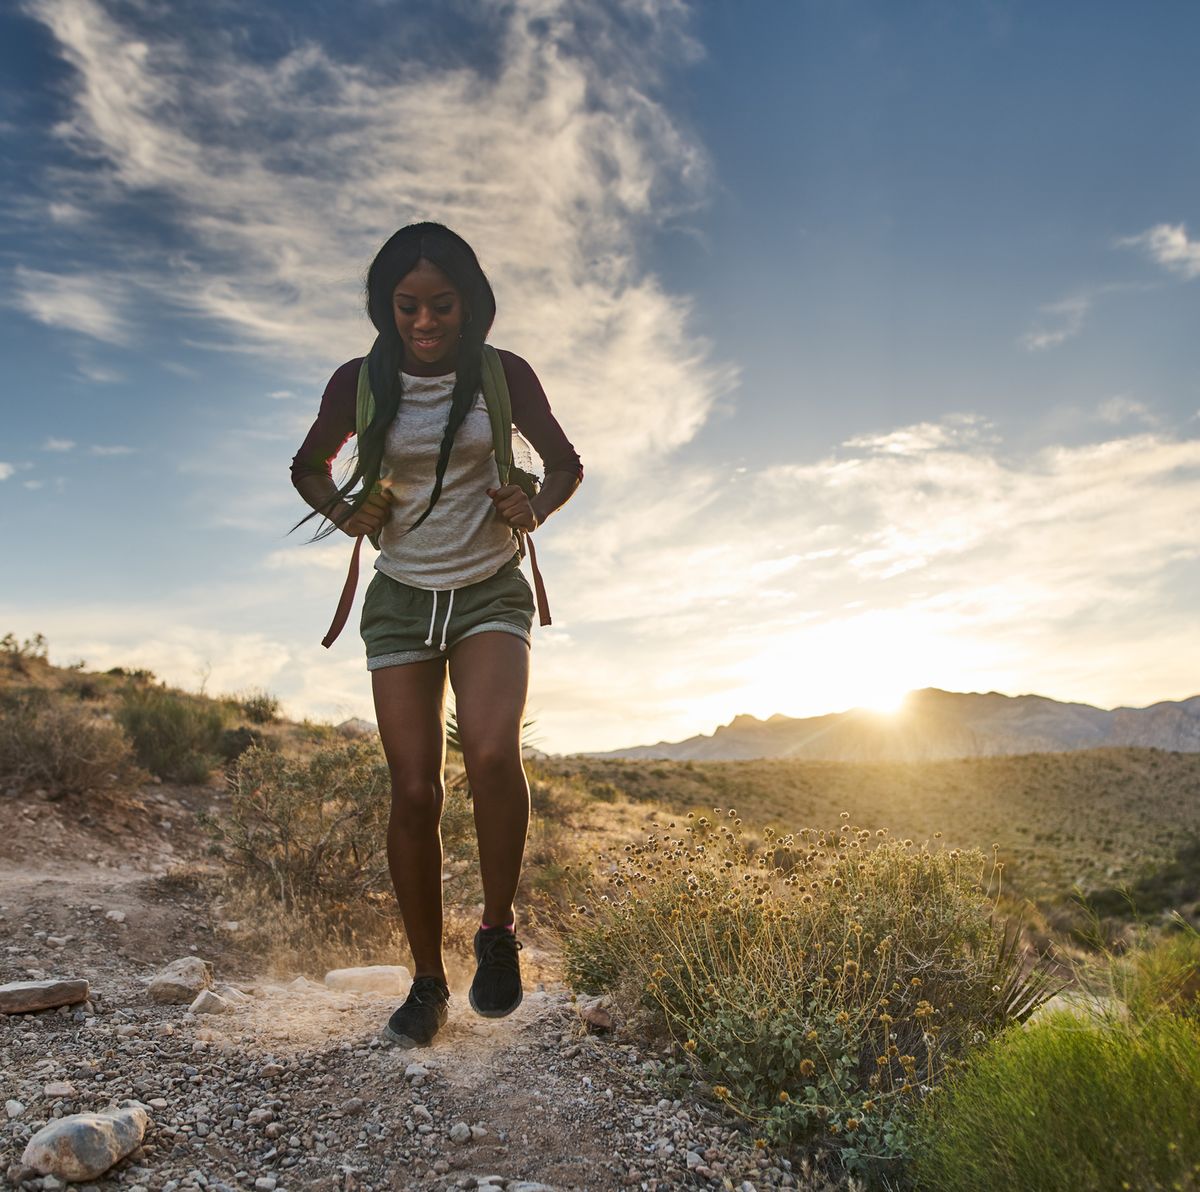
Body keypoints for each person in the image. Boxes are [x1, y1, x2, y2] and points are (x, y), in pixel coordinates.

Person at [290, 222, 582, 1047]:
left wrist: (538, 504)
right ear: (387, 307)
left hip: (490, 587)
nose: (424, 321)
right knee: (414, 790)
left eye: (441, 304)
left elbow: (565, 464)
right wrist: (346, 510)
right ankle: (426, 981)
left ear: (469, 303)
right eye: (407, 306)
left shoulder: (504, 374)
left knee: (493, 755)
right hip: (401, 600)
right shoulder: (359, 381)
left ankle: (496, 933)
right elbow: (307, 466)